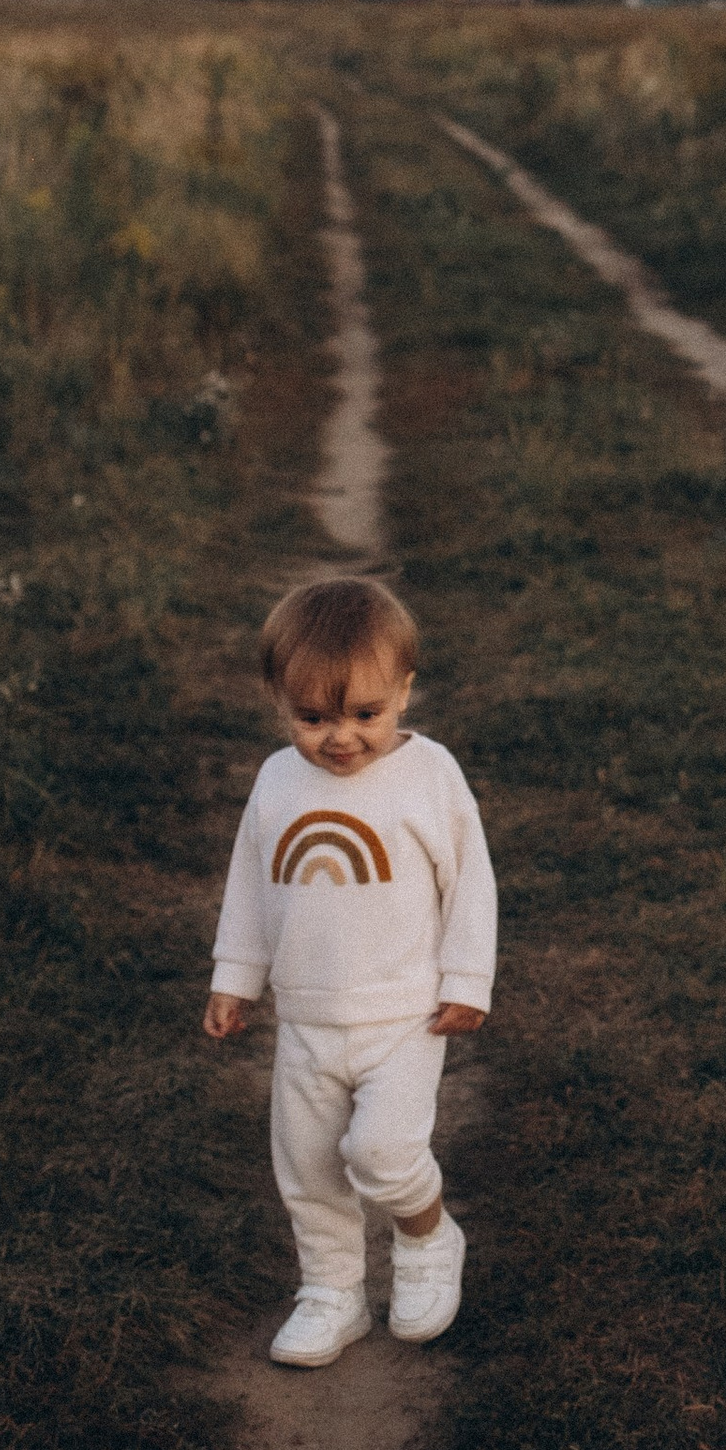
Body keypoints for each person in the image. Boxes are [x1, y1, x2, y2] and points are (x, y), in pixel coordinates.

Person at [205, 573, 496, 1366]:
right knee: (306, 1167)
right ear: (278, 703)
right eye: (313, 718)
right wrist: (236, 975)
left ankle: (429, 1238)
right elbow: (251, 882)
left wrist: (466, 983)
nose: (340, 738)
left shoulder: (429, 776)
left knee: (381, 1153)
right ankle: (333, 1294)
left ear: (405, 691)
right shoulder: (277, 781)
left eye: (365, 714)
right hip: (306, 1019)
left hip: (404, 1015)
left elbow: (470, 882)